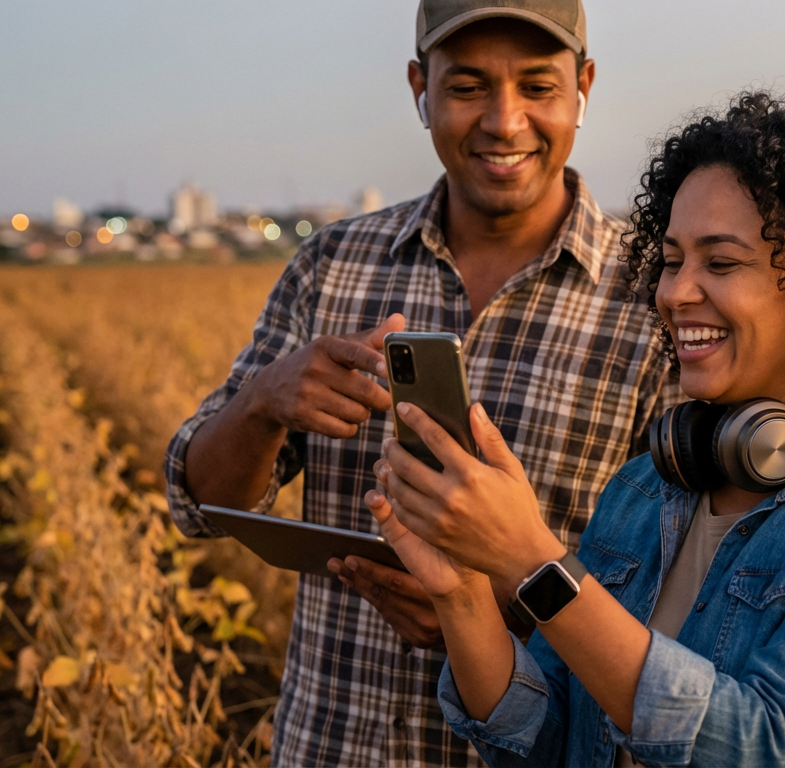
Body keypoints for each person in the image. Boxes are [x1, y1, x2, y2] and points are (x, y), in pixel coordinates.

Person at [367, 90, 785, 767]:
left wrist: (532, 562)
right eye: (670, 259)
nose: (674, 291)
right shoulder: (645, 486)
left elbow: (765, 748)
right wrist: (461, 594)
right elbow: (542, 742)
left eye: (720, 263)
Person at [163, 1, 681, 765]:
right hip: (334, 741)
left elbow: (687, 595)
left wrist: (497, 609)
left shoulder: (657, 297)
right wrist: (264, 400)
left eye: (538, 87)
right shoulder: (332, 265)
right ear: (420, 89)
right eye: (468, 86)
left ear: (584, 88)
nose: (504, 122)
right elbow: (200, 508)